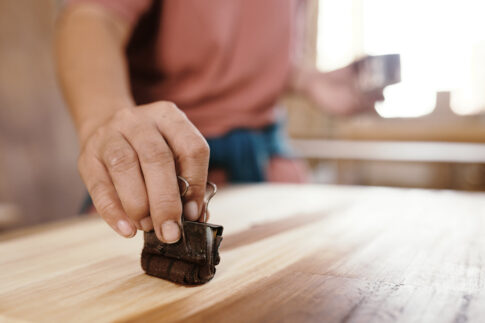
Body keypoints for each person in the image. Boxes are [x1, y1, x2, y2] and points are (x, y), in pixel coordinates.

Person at [56, 0, 383, 244]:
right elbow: (92, 16)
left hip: (275, 178)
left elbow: (241, 54)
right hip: (164, 184)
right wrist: (106, 120)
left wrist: (307, 80)